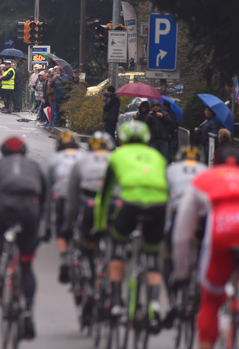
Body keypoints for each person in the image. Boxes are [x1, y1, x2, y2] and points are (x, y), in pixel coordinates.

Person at [172, 146, 239, 349]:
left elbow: (181, 234)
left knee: (210, 301)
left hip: (223, 229)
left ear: (215, 163)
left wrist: (181, 273)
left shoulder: (204, 178)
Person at [95, 121, 168, 333]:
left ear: (122, 139)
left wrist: (100, 224)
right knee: (153, 255)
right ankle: (154, 304)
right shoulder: (157, 156)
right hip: (158, 206)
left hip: (130, 204)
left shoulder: (117, 156)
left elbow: (105, 194)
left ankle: (117, 302)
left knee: (117, 247)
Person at [0, 136, 50, 340]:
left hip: (5, 207)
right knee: (26, 264)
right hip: (30, 210)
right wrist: (45, 229)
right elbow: (45, 202)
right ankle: (27, 310)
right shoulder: (35, 167)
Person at [64, 131, 115, 323]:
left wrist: (68, 225)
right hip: (113, 206)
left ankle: (88, 282)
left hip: (89, 205)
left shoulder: (82, 162)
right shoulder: (116, 159)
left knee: (85, 245)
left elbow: (72, 199)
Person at [161, 145, 207, 325]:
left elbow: (163, 196)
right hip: (202, 215)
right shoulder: (205, 171)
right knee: (205, 251)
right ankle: (200, 288)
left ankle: (173, 300)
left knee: (167, 255)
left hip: (179, 213)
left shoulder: (171, 169)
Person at [46, 131, 83, 283]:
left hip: (61, 196)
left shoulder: (54, 159)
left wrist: (47, 220)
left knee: (60, 227)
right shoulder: (84, 157)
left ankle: (63, 256)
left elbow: (49, 187)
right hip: (82, 196)